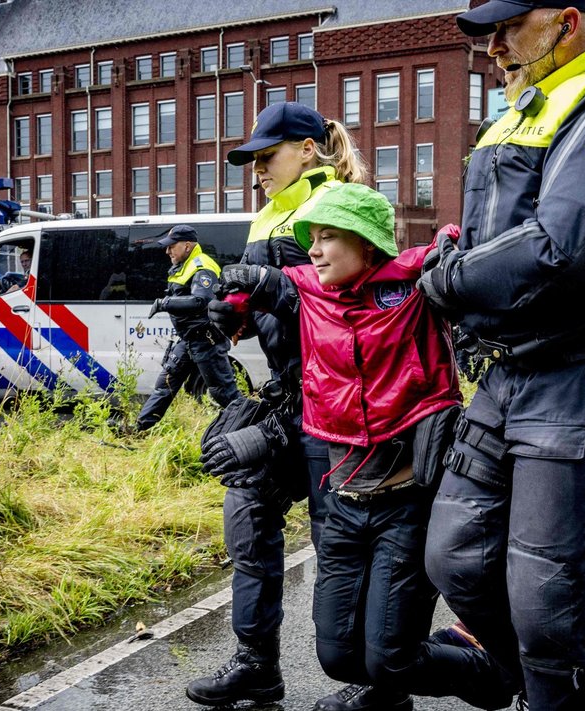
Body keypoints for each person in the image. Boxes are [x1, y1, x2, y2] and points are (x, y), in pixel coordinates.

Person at [417, 2, 585, 708]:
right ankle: (527, 672)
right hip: (506, 371)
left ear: (567, 23)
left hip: (579, 373)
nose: (493, 46)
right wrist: (455, 259)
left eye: (507, 28)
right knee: (455, 557)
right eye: (488, 32)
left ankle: (559, 691)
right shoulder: (518, 110)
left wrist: (445, 279)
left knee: (543, 596)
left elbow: (558, 245)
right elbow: (486, 239)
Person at [217, 184, 516, 711]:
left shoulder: (413, 282)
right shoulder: (309, 289)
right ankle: (409, 678)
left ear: (368, 244)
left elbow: (451, 243)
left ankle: (493, 672)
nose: (314, 249)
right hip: (342, 503)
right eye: (311, 238)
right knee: (337, 658)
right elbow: (272, 286)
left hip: (408, 503)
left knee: (391, 659)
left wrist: (450, 243)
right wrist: (236, 293)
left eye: (329, 236)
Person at [186, 101, 372, 709]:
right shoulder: (265, 216)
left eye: (267, 158)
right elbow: (263, 305)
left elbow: (349, 305)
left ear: (308, 151)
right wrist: (227, 312)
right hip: (288, 395)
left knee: (340, 543)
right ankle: (256, 666)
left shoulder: (340, 203)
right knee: (247, 517)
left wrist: (271, 290)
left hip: (341, 402)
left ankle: (374, 683)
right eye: (253, 161)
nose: (257, 170)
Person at [135, 225, 240, 432]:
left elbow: (201, 300)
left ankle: (252, 431)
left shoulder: (202, 266)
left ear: (188, 245)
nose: (168, 251)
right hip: (188, 340)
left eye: (172, 246)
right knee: (165, 384)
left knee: (224, 393)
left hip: (206, 340)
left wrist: (164, 303)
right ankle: (138, 430)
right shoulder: (183, 265)